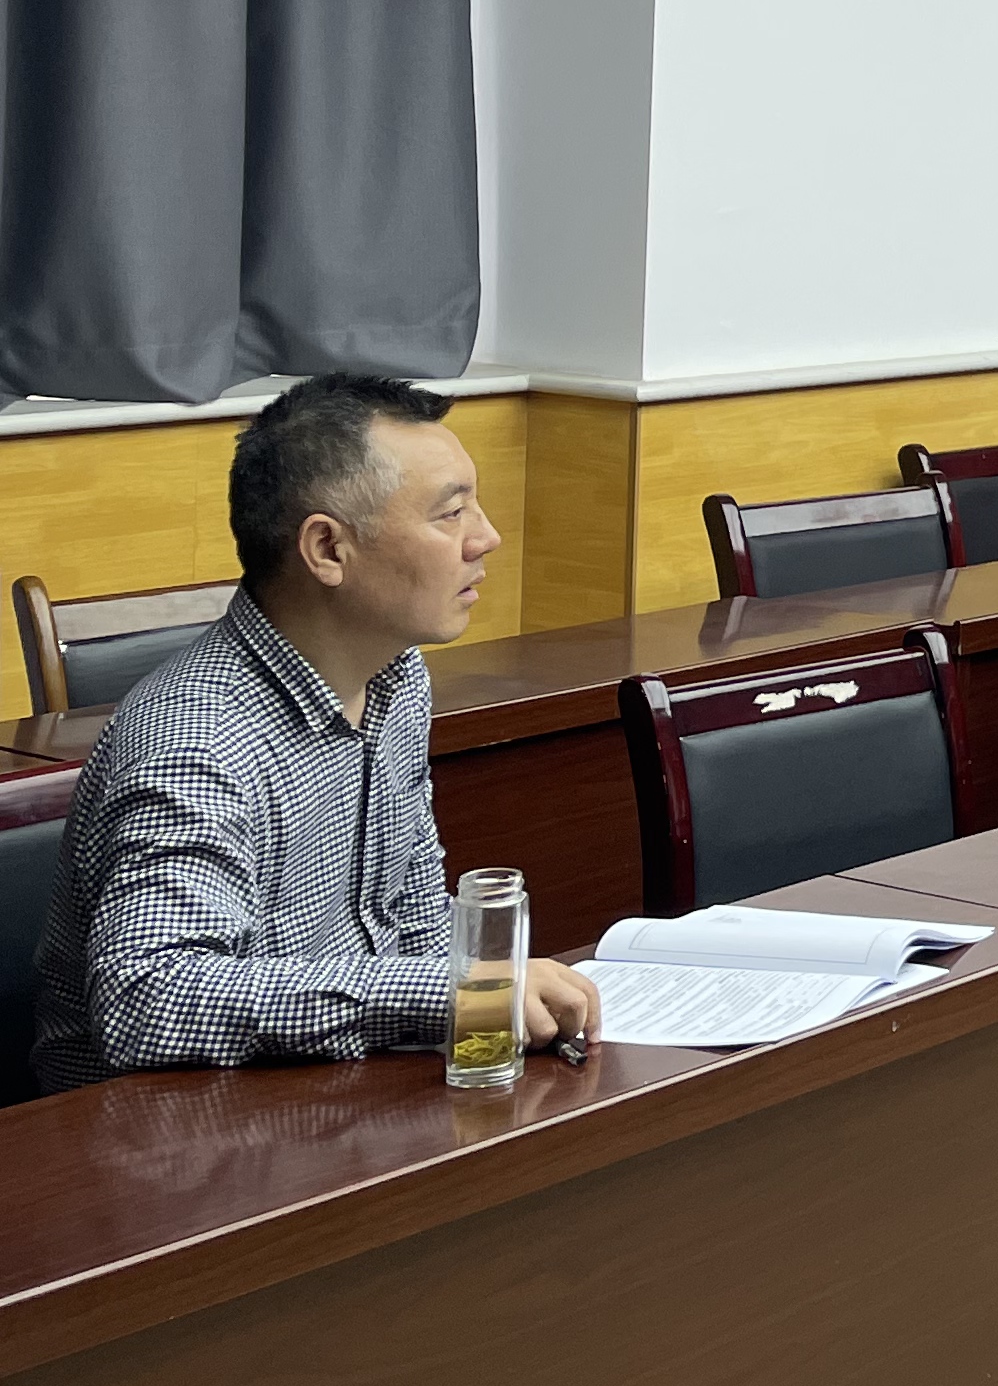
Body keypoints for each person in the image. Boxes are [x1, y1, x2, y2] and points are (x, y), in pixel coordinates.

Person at [32, 375, 598, 1093]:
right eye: (452, 513)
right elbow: (149, 1001)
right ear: (327, 548)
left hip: (332, 1088)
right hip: (161, 1128)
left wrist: (470, 1004)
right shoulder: (196, 740)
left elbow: (415, 917)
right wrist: (448, 994)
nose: (486, 537)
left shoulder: (396, 678)